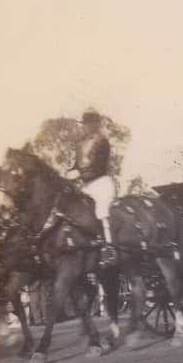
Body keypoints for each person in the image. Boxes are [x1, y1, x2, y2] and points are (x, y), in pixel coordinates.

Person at [72, 108, 117, 263]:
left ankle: (108, 247)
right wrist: (68, 173)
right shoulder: (79, 145)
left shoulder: (102, 141)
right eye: (84, 124)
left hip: (101, 182)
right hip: (85, 185)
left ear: (95, 124)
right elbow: (75, 166)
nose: (85, 127)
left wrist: (79, 174)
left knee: (101, 211)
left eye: (88, 124)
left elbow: (98, 166)